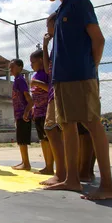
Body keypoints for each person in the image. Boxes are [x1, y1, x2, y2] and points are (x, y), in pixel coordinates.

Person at [43, 0, 112, 200]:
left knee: (92, 124)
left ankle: (108, 185)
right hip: (61, 79)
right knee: (67, 126)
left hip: (80, 75)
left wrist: (91, 68)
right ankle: (71, 180)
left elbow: (98, 39)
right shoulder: (61, 8)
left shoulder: (79, 1)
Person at [40, 12, 66, 186]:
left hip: (60, 87)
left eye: (48, 25)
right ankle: (66, 172)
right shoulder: (55, 44)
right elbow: (48, 69)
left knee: (51, 127)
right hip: (56, 86)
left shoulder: (62, 41)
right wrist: (44, 46)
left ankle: (62, 172)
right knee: (59, 129)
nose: (47, 29)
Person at [29, 49, 53, 175]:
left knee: (49, 140)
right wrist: (33, 108)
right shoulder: (35, 74)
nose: (31, 65)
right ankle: (47, 165)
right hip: (38, 112)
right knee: (43, 140)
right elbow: (35, 95)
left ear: (40, 60)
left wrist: (37, 83)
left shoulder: (46, 73)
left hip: (46, 111)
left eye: (33, 62)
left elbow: (51, 89)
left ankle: (51, 166)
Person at [9, 59, 34, 171]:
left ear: (20, 67)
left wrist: (26, 112)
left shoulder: (20, 80)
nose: (11, 69)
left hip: (23, 114)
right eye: (10, 67)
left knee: (23, 140)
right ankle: (24, 161)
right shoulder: (16, 80)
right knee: (20, 140)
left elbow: (29, 99)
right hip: (19, 115)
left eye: (13, 67)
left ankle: (27, 164)